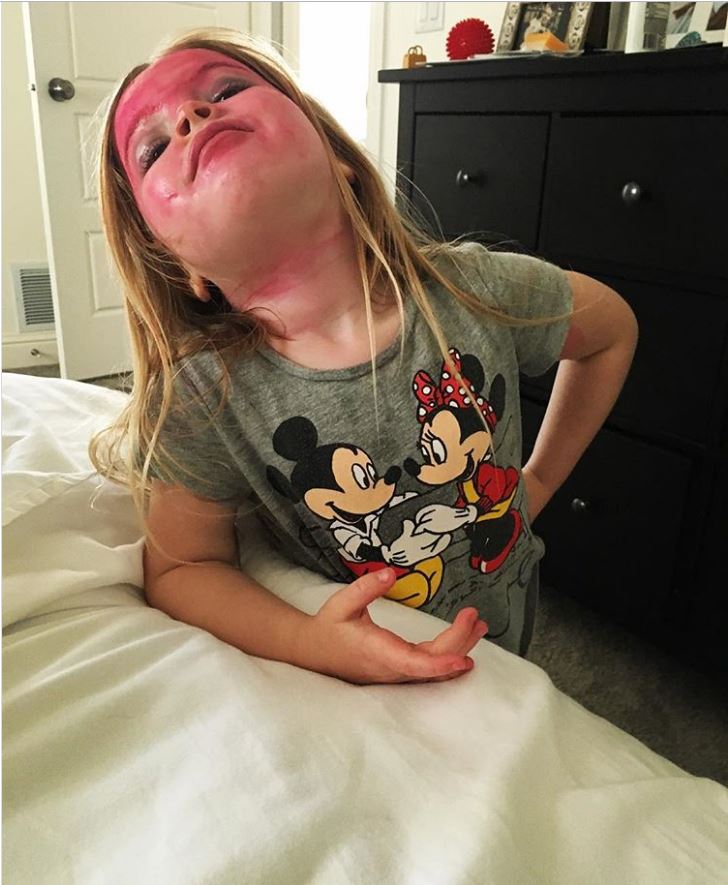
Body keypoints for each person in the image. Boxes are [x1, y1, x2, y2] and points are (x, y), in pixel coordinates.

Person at [91, 28, 638, 686]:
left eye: (227, 89)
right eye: (152, 148)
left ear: (337, 155)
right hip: (362, 692)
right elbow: (183, 569)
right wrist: (312, 641)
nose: (190, 114)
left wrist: (539, 480)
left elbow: (612, 330)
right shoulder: (201, 399)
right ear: (175, 261)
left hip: (507, 650)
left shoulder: (476, 289)